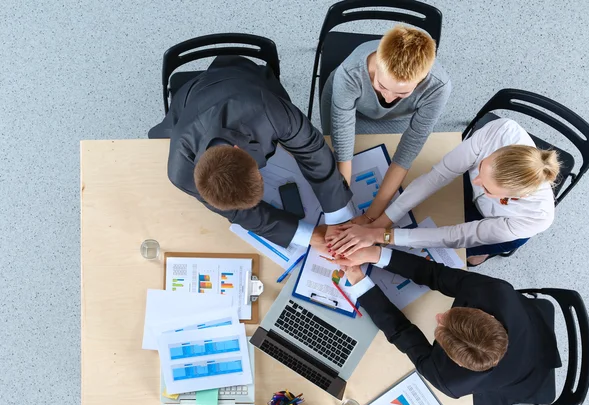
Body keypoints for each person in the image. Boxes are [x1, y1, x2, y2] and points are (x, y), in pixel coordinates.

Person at [149, 55, 354, 249]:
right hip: (190, 103)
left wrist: (337, 215)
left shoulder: (270, 111)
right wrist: (308, 236)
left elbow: (312, 149)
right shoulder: (180, 173)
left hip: (243, 78)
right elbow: (239, 213)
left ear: (240, 150)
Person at [337, 245, 561, 405]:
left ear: (459, 363)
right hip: (530, 326)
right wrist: (376, 254)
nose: (438, 316)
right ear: (487, 315)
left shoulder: (449, 381)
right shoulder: (494, 292)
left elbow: (401, 331)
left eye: (439, 327)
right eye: (448, 317)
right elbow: (436, 274)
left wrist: (359, 281)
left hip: (522, 378)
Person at [326, 118, 561, 265]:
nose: (476, 180)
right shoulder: (501, 131)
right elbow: (438, 176)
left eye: (487, 187)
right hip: (486, 195)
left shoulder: (536, 217)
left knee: (468, 253)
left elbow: (456, 235)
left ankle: (482, 255)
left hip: (496, 224)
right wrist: (383, 221)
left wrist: (381, 236)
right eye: (480, 168)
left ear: (512, 197)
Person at [320, 25, 451, 223]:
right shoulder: (349, 73)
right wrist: (343, 210)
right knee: (337, 150)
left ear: (422, 79)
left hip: (398, 118)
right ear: (377, 65)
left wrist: (371, 215)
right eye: (382, 86)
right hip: (350, 108)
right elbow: (343, 146)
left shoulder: (438, 87)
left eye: (402, 93)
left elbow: (408, 150)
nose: (389, 99)